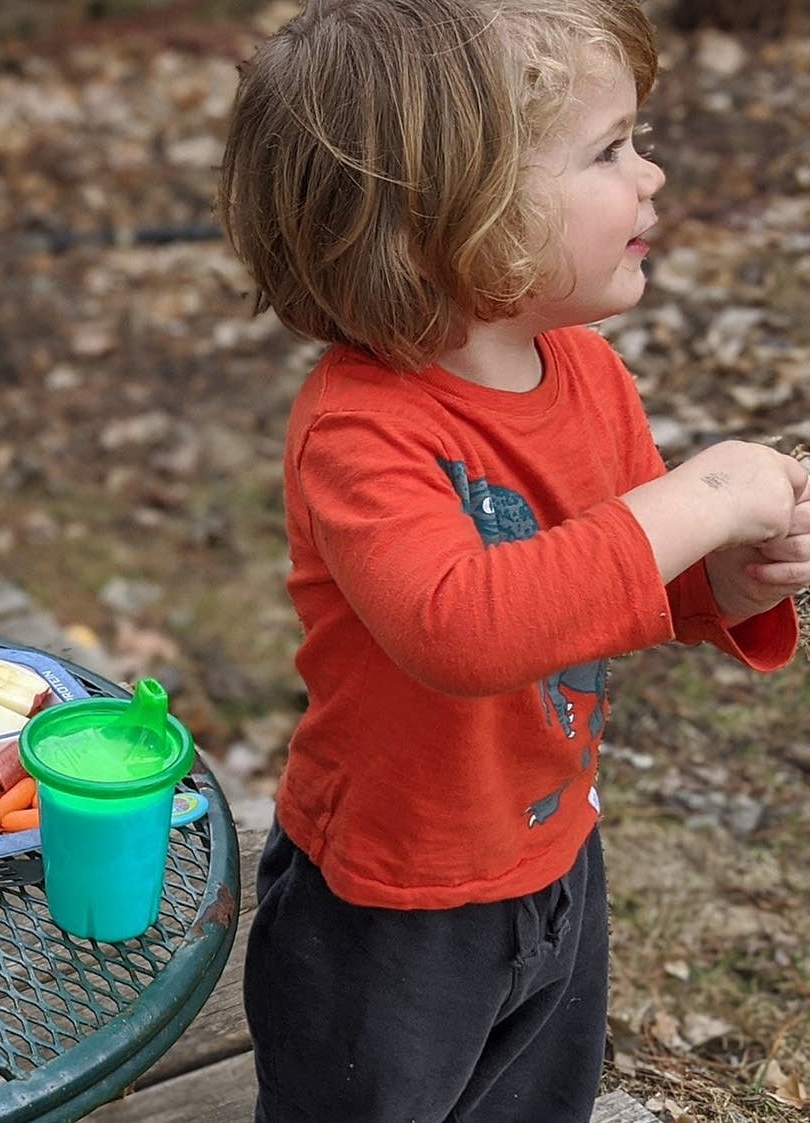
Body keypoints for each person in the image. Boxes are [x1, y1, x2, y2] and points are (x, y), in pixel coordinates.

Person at [216, 3, 810, 1121]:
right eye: (606, 150)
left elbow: (617, 585)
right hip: (388, 909)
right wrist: (704, 494)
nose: (653, 176)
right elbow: (465, 628)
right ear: (441, 219)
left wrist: (724, 578)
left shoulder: (584, 375)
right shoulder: (359, 429)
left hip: (551, 855)